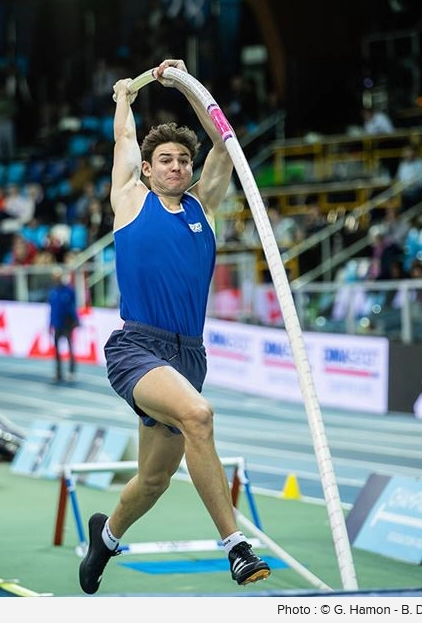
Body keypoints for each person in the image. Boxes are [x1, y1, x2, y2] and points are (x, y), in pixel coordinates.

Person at [78, 59, 271, 595]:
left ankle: (106, 538)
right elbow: (123, 142)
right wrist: (124, 99)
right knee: (199, 417)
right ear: (146, 168)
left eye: (184, 160)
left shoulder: (203, 206)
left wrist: (188, 85)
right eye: (165, 159)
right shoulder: (130, 199)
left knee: (155, 479)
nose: (177, 166)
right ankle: (236, 548)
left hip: (189, 355)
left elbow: (225, 141)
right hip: (137, 348)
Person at [48, 267, 79, 383]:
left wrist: (76, 321)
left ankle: (71, 371)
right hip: (56, 324)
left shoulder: (69, 291)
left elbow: (73, 308)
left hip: (67, 323)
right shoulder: (52, 291)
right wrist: (49, 324)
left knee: (70, 348)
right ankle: (58, 372)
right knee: (56, 350)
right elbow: (51, 310)